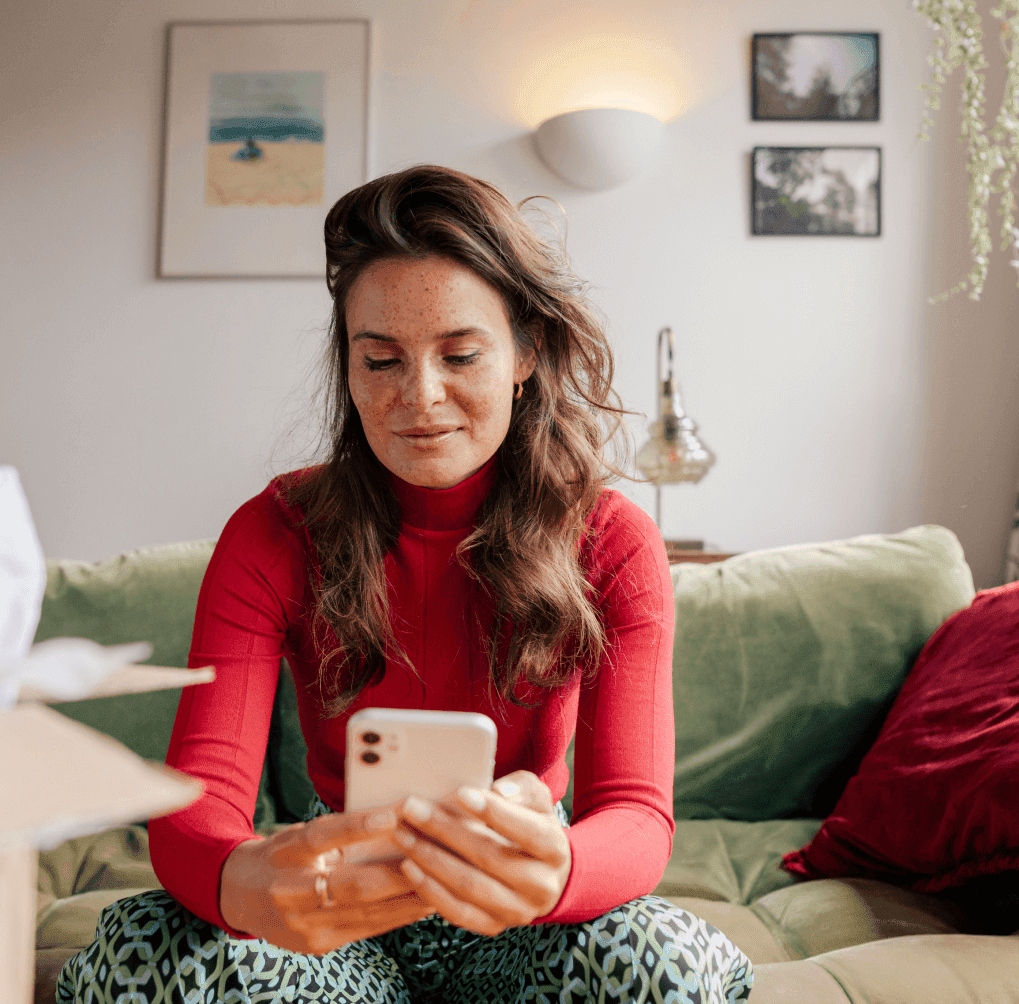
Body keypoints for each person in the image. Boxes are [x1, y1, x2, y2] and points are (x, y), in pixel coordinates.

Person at [57, 166, 753, 1003]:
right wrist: (246, 884)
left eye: (460, 354)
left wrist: (559, 869)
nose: (419, 399)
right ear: (346, 366)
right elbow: (193, 812)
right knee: (146, 948)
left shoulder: (612, 540)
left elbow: (638, 817)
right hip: (337, 914)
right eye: (380, 359)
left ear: (527, 352)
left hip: (522, 919)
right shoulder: (274, 532)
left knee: (662, 963)